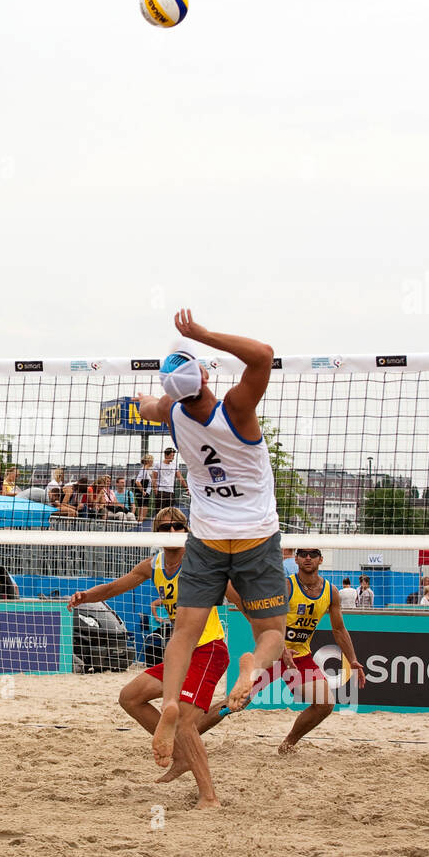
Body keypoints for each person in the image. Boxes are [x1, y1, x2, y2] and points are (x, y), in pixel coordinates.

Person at [135, 309, 287, 770]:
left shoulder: (171, 414)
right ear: (203, 374)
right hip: (256, 537)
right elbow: (262, 354)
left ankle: (170, 706)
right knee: (272, 635)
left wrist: (151, 395)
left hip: (207, 536)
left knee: (184, 632)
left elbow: (147, 406)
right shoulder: (237, 409)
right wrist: (199, 334)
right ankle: (252, 667)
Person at [68, 507, 225, 808]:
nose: (170, 532)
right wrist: (86, 596)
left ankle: (210, 798)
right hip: (181, 654)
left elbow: (234, 589)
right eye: (163, 528)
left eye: (176, 527)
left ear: (186, 530)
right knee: (130, 696)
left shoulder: (199, 561)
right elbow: (116, 586)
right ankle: (180, 755)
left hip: (208, 650)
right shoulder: (154, 565)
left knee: (183, 722)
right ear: (156, 533)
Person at [202, 548, 365, 754]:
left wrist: (352, 659)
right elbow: (265, 619)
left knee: (325, 704)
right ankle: (186, 737)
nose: (308, 557)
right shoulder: (286, 586)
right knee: (235, 703)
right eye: (303, 553)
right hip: (272, 654)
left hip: (299, 658)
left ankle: (287, 745)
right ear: (295, 559)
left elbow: (339, 628)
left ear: (321, 559)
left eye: (313, 554)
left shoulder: (330, 592)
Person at [150, 447, 187, 512]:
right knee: (160, 513)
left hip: (170, 492)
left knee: (169, 513)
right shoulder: (158, 465)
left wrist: (187, 488)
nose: (173, 457)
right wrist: (156, 492)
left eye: (173, 456)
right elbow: (154, 480)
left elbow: (180, 478)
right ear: (166, 455)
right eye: (171, 455)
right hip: (161, 491)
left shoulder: (174, 465)